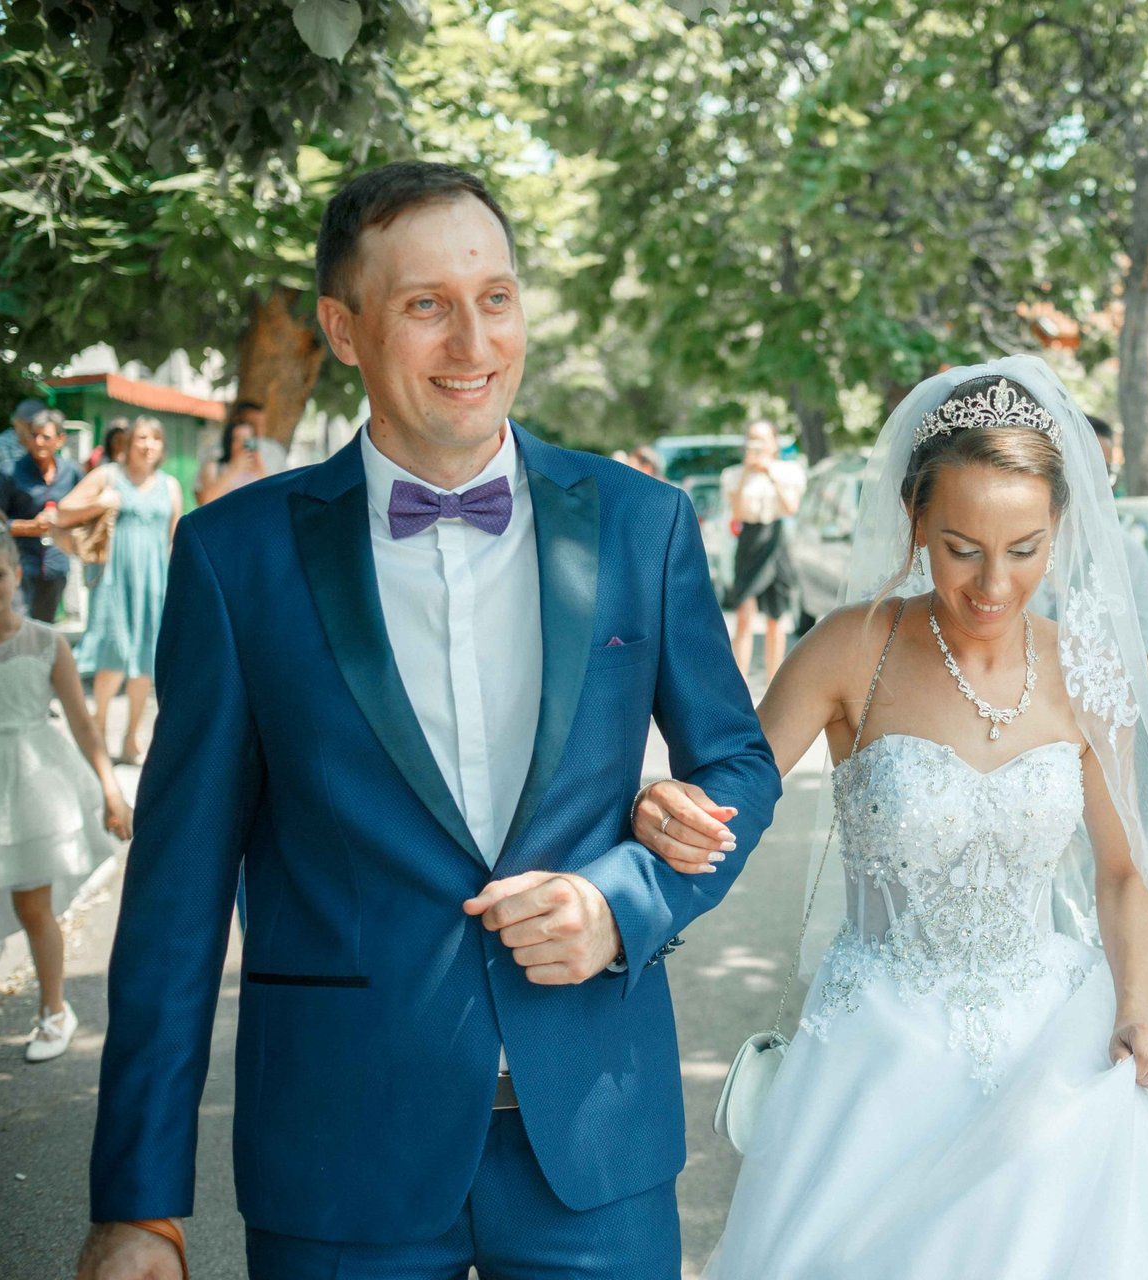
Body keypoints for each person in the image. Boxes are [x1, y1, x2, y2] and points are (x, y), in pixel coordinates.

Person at [77, 160, 779, 1280]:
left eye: (495, 298)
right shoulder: (234, 557)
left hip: (594, 1142)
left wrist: (624, 900)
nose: (473, 342)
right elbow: (177, 893)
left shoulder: (640, 524)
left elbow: (740, 762)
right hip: (340, 1151)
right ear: (342, 329)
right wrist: (139, 1203)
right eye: (425, 305)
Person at [635, 358, 1148, 1278]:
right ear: (915, 520)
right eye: (962, 548)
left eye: (1025, 549)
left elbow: (1123, 872)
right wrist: (662, 814)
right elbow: (731, 796)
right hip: (877, 1056)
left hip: (1054, 1042)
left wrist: (1137, 1011)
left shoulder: (1085, 672)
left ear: (1059, 529)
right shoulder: (851, 650)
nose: (994, 583)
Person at [0, 508, 132, 1111]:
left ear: (17, 574)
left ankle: (54, 1010)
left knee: (34, 906)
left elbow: (85, 725)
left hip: (30, 788)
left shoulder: (45, 642)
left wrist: (111, 790)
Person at [57, 416, 179, 766]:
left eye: (155, 438)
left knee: (145, 660)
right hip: (113, 579)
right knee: (112, 653)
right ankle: (96, 733)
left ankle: (130, 740)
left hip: (154, 583)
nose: (148, 445)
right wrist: (101, 503)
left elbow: (174, 539)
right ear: (128, 441)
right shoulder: (109, 476)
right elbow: (64, 510)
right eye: (141, 437)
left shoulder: (169, 485)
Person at [722, 419, 805, 680]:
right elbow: (736, 512)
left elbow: (791, 508)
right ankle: (739, 682)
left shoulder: (788, 472)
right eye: (752, 439)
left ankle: (773, 682)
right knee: (744, 615)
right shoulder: (734, 474)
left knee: (775, 618)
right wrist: (748, 472)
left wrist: (770, 473)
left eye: (762, 439)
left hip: (776, 541)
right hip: (749, 541)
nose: (757, 445)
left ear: (774, 443)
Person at [0, 408, 83, 622]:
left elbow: (84, 512)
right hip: (20, 562)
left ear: (60, 440)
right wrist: (30, 527)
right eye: (34, 435)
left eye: (46, 437)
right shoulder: (10, 472)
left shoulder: (71, 473)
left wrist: (63, 523)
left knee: (45, 627)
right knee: (19, 622)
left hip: (56, 562)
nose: (39, 442)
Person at [1088, 414, 1148, 680]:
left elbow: (1147, 651)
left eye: (1104, 471)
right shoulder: (1014, 543)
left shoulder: (1128, 553)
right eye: (1084, 465)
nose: (1094, 480)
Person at [194, 412, 273, 505]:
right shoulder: (214, 467)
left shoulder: (257, 468)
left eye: (247, 440)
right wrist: (234, 469)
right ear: (229, 442)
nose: (243, 445)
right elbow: (206, 501)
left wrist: (261, 471)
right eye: (238, 439)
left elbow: (270, 499)